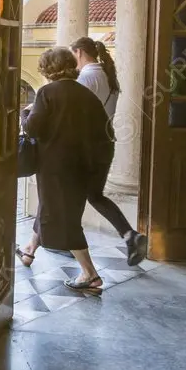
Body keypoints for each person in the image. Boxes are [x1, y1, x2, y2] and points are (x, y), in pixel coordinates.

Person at [15, 48, 114, 291]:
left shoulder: (47, 92)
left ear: (47, 69)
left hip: (56, 165)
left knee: (63, 217)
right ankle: (30, 250)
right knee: (51, 207)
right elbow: (106, 131)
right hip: (83, 164)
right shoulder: (85, 94)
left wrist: (23, 114)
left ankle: (90, 273)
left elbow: (32, 129)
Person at [70, 36, 148, 266]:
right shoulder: (108, 75)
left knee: (72, 193)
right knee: (94, 195)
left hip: (87, 146)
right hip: (106, 143)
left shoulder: (86, 77)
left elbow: (72, 111)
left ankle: (66, 243)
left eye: (73, 56)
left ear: (79, 53)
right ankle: (129, 235)